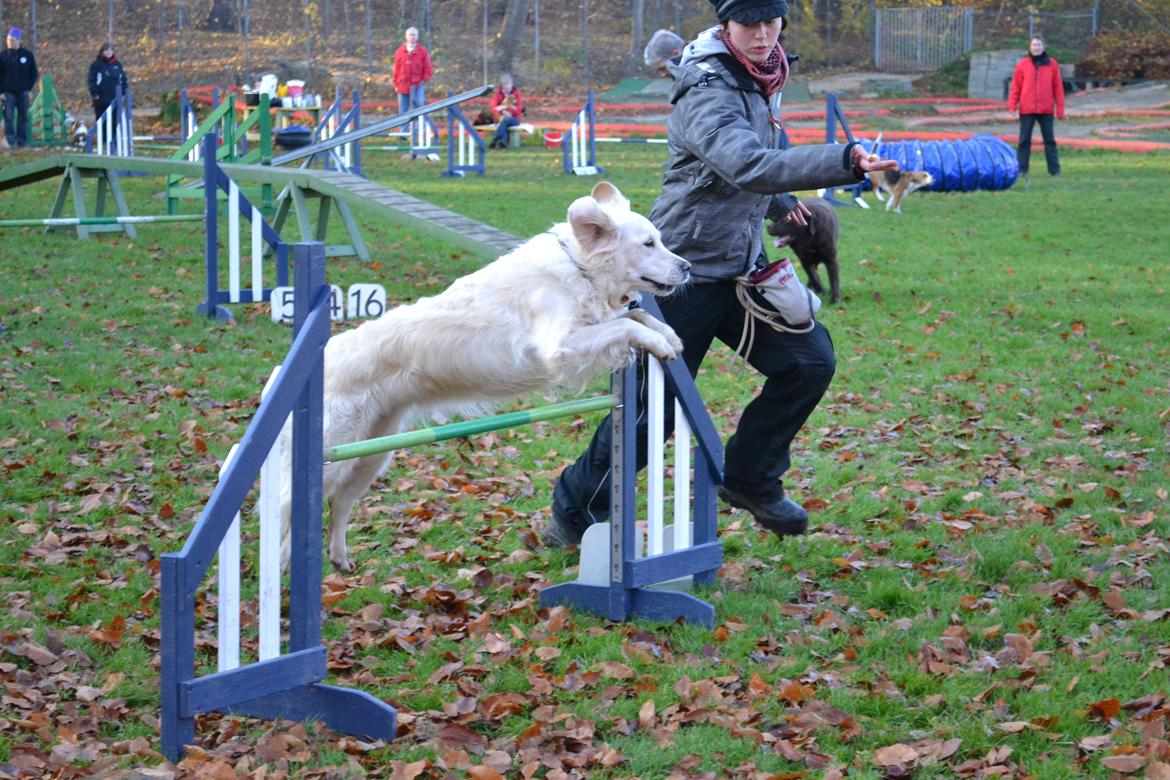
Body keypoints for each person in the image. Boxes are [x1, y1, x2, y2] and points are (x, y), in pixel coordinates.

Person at [543, 0, 897, 548]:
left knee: (808, 362)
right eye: (748, 25)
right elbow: (745, 162)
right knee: (649, 417)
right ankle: (574, 508)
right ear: (726, 26)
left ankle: (751, 478)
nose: (761, 35)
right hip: (678, 269)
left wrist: (779, 203)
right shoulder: (706, 85)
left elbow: (755, 157)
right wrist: (843, 160)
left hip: (740, 264)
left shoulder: (763, 71)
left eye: (771, 22)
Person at [1008, 36, 1066, 177]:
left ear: (1043, 47)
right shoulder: (1022, 64)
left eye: (1039, 44)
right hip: (1027, 109)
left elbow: (1058, 87)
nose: (1036, 47)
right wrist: (1012, 106)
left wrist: (1060, 109)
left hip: (1046, 109)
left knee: (1050, 140)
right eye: (1034, 44)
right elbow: (1016, 87)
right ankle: (1021, 170)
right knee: (1024, 141)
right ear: (1030, 47)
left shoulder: (1052, 64)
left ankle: (1055, 170)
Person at [0, 27, 39, 148]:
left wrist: (28, 87)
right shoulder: (3, 56)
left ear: (18, 40)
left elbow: (34, 73)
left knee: (23, 117)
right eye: (8, 39)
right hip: (8, 93)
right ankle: (11, 141)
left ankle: (22, 141)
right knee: (9, 117)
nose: (9, 42)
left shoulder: (27, 55)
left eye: (12, 39)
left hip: (22, 92)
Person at [87, 42, 129, 140]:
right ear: (102, 52)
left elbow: (123, 79)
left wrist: (125, 93)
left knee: (115, 121)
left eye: (111, 50)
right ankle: (103, 140)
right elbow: (91, 80)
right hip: (101, 99)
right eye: (106, 50)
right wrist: (95, 93)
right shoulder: (96, 65)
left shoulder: (117, 64)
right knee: (102, 122)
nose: (109, 52)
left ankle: (114, 140)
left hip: (115, 99)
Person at [392, 26, 432, 117]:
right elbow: (396, 69)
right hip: (402, 85)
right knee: (403, 112)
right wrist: (396, 84)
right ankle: (404, 130)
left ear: (417, 37)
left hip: (417, 84)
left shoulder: (422, 51)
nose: (412, 37)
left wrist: (423, 80)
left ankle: (417, 129)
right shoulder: (400, 51)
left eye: (414, 35)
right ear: (406, 37)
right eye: (410, 35)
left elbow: (428, 68)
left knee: (418, 109)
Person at [488, 74, 524, 149]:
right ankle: (503, 142)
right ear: (501, 86)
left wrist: (510, 112)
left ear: (512, 84)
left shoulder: (516, 94)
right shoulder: (497, 94)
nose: (506, 87)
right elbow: (493, 108)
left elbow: (519, 109)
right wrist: (502, 112)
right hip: (500, 118)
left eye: (508, 84)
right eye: (504, 85)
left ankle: (495, 140)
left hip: (514, 119)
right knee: (504, 121)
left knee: (505, 120)